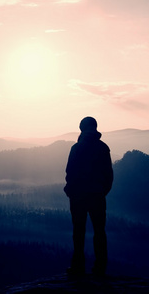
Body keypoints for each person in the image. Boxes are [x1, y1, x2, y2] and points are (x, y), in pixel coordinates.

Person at [64, 117, 113, 276]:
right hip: (97, 195)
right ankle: (100, 268)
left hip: (78, 196)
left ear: (81, 129)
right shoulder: (103, 148)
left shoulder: (77, 148)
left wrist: (71, 190)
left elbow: (69, 172)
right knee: (99, 231)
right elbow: (108, 175)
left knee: (78, 231)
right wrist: (101, 191)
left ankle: (78, 267)